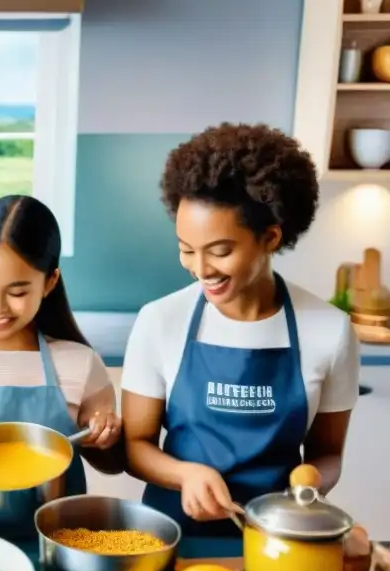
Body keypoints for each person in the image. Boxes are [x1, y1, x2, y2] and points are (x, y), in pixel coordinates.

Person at [121, 122, 367, 549]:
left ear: (270, 237)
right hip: (169, 539)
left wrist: (302, 495)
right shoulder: (160, 320)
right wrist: (186, 475)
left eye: (220, 251)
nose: (200, 269)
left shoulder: (329, 331)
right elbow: (136, 445)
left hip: (277, 541)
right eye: (185, 248)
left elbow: (327, 454)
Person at [0, 195, 124, 538]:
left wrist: (105, 439)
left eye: (17, 291)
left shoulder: (81, 364)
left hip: (62, 544)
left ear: (50, 281)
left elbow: (114, 465)